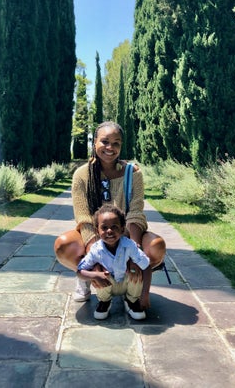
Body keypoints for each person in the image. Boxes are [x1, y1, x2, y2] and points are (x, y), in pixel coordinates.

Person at [54, 120, 166, 302]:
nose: (110, 147)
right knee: (63, 245)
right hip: (95, 237)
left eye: (116, 143)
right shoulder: (82, 175)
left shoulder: (133, 173)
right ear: (94, 143)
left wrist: (134, 253)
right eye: (105, 141)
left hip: (126, 236)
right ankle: (87, 276)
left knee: (156, 246)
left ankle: (132, 284)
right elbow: (84, 218)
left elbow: (135, 213)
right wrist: (95, 258)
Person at [77, 204, 151, 320]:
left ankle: (132, 301)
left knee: (136, 271)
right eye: (104, 227)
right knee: (100, 275)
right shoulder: (96, 250)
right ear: (97, 231)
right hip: (108, 283)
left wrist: (144, 295)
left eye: (114, 227)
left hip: (127, 283)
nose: (109, 231)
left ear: (122, 229)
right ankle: (105, 302)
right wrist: (95, 275)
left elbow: (146, 266)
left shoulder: (129, 245)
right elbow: (80, 271)